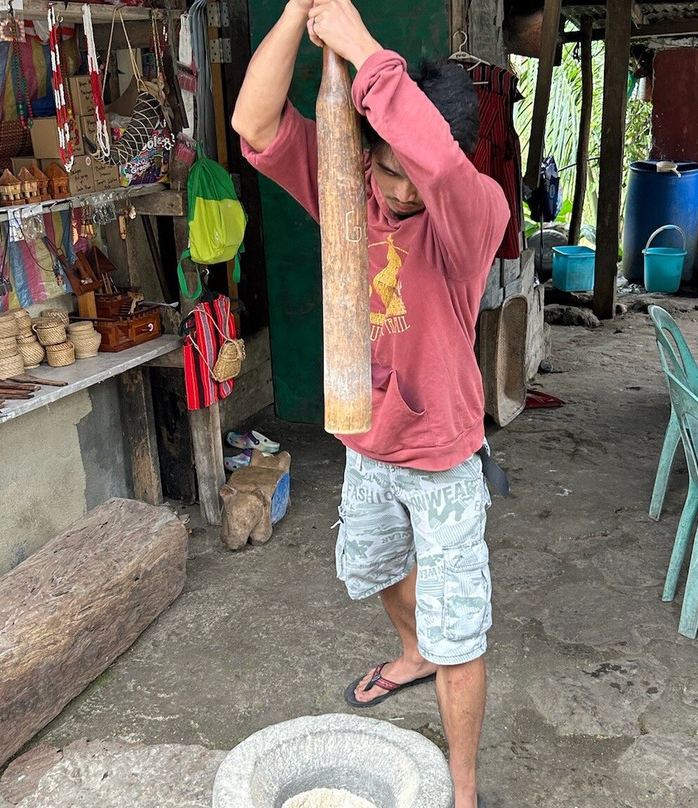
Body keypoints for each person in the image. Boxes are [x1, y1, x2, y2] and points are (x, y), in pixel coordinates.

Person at [231, 2, 509, 806]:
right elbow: (255, 122)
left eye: (404, 172)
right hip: (367, 441)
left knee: (464, 634)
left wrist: (356, 41)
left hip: (444, 453)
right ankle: (410, 650)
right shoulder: (349, 187)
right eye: (378, 167)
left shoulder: (469, 209)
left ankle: (460, 785)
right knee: (377, 566)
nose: (390, 187)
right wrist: (296, 14)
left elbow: (437, 165)